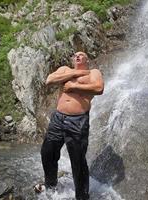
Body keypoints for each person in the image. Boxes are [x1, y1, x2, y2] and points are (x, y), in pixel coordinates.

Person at [34, 51, 104, 200]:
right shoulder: (66, 69)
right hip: (58, 119)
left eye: (81, 55)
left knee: (78, 161)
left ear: (87, 59)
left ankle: (82, 197)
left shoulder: (93, 72)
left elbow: (99, 88)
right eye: (75, 55)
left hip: (78, 121)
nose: (77, 56)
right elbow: (49, 80)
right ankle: (51, 186)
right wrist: (73, 75)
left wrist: (74, 87)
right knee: (47, 153)